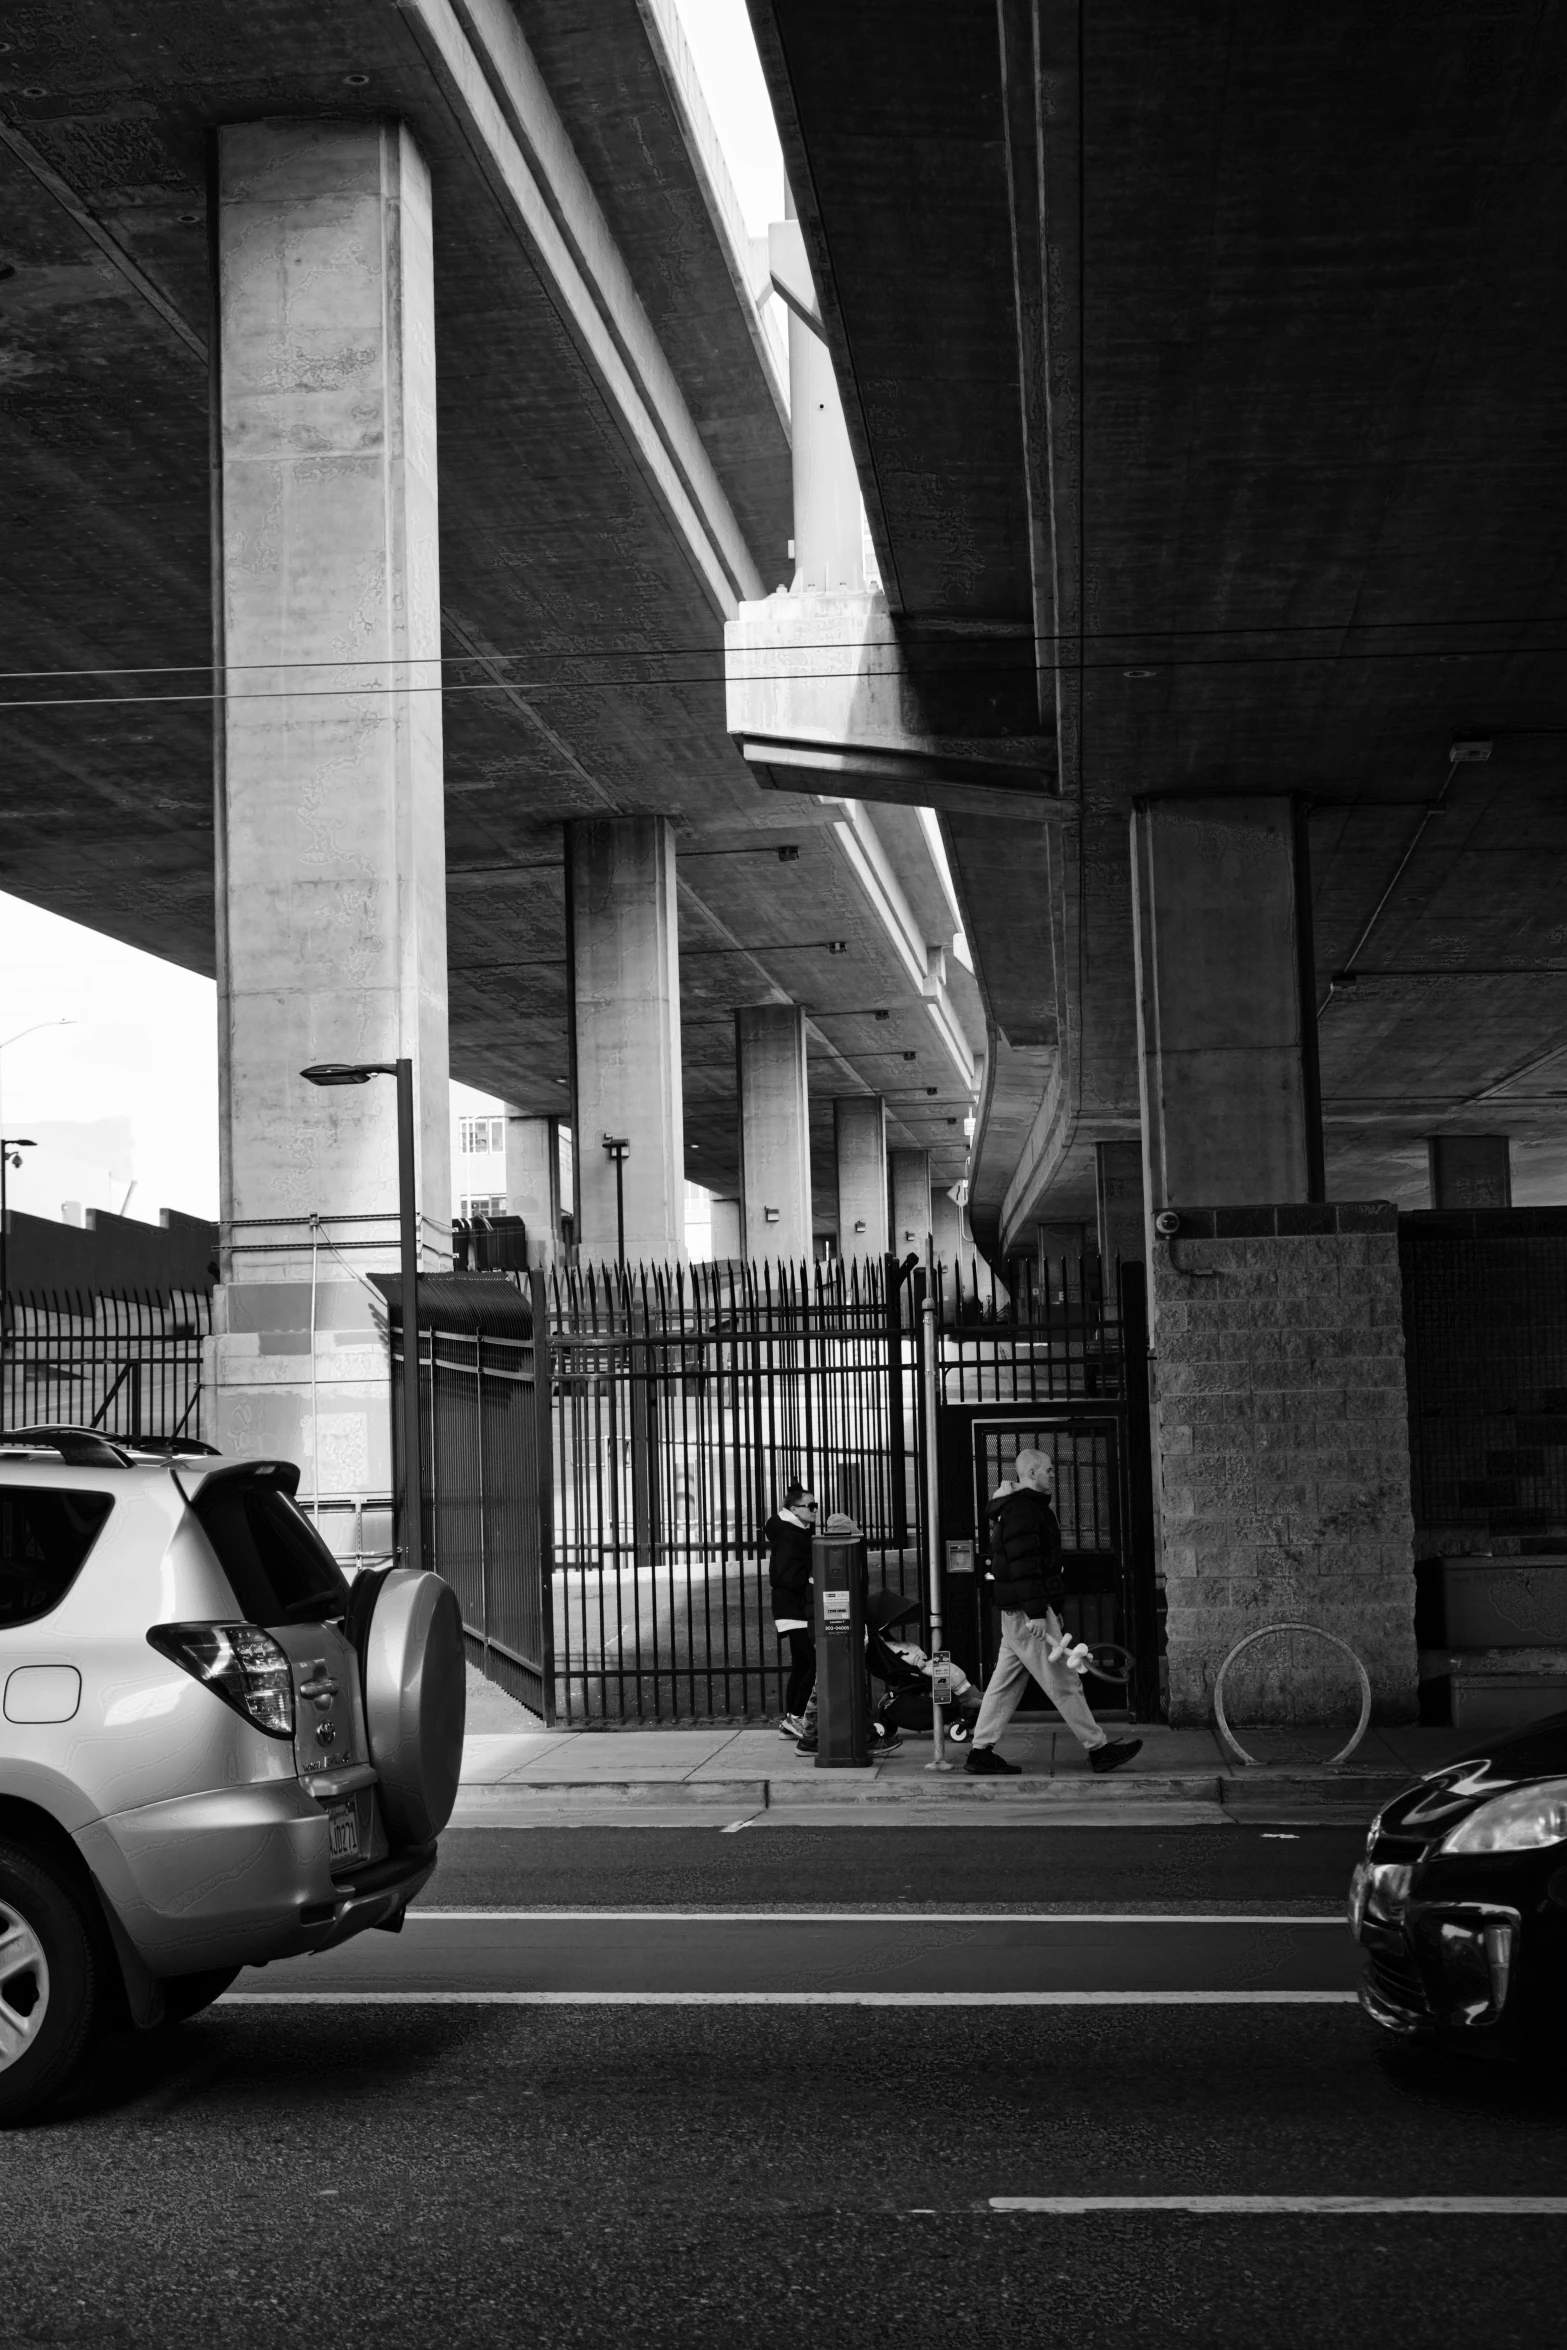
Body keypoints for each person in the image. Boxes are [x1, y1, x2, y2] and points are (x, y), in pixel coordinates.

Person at [965, 1448, 1142, 1777]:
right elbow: (1025, 1566)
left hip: (1018, 1613)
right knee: (1065, 1681)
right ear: (1032, 1473)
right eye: (1048, 1470)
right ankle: (1098, 1748)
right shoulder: (1023, 1511)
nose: (1053, 1474)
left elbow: (1027, 1564)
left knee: (1003, 1685)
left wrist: (1043, 1610)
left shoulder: (1019, 1508)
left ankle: (979, 1751)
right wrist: (1037, 1613)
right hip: (1027, 1612)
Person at [766, 1478, 818, 1737]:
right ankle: (796, 1717)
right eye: (811, 1505)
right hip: (794, 1610)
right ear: (795, 1509)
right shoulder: (790, 1535)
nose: (815, 1510)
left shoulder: (793, 1532)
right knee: (816, 1664)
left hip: (792, 1610)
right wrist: (812, 1579)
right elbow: (786, 1576)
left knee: (801, 1664)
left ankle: (790, 1721)